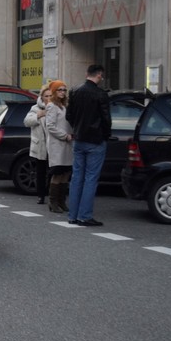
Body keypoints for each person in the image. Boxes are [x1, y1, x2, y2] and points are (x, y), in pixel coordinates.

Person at [65, 64, 111, 226]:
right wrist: (106, 135)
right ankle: (84, 216)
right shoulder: (101, 94)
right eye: (102, 76)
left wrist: (77, 128)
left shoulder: (75, 91)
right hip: (96, 140)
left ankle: (73, 215)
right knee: (91, 178)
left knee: (77, 177)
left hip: (79, 139)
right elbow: (106, 119)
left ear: (87, 73)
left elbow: (69, 115)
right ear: (99, 75)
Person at [45, 80, 73, 213]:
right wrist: (64, 135)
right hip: (57, 144)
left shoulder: (65, 106)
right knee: (57, 172)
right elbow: (50, 126)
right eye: (59, 90)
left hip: (68, 144)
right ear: (54, 92)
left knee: (66, 172)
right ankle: (53, 201)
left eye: (64, 90)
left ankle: (62, 201)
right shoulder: (51, 106)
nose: (62, 92)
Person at [24, 83, 52, 204]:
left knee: (53, 171)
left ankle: (52, 194)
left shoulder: (56, 107)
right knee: (40, 172)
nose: (48, 98)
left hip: (53, 145)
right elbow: (27, 121)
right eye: (46, 96)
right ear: (42, 97)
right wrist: (39, 115)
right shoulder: (36, 108)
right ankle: (40, 195)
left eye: (51, 95)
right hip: (40, 145)